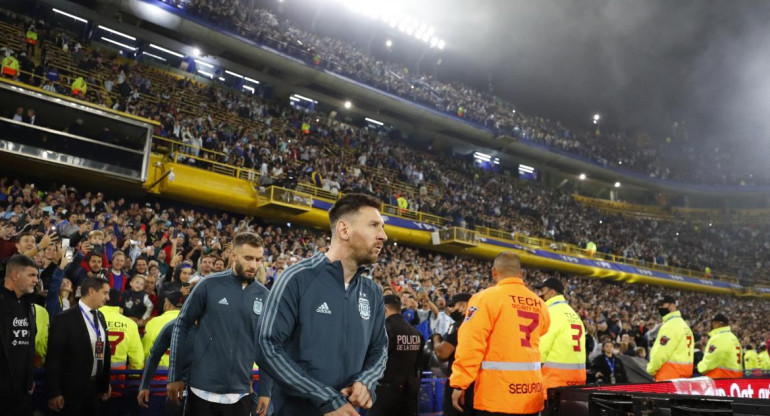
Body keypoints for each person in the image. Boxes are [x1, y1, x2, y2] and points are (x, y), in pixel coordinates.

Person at [258, 193, 389, 416]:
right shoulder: (297, 278)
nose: (383, 236)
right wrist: (325, 398)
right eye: (374, 226)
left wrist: (366, 381)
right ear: (344, 230)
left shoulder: (373, 291)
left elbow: (380, 349)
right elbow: (266, 346)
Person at [167, 232, 272, 416]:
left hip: (240, 394)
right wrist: (175, 375)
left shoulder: (264, 296)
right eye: (248, 258)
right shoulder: (208, 284)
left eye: (258, 259)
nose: (254, 265)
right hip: (201, 390)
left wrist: (265, 389)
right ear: (233, 256)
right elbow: (181, 325)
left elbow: (266, 345)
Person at [449, 252, 551, 416]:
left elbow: (471, 343)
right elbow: (544, 330)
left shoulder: (485, 298)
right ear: (521, 274)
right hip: (531, 393)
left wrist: (460, 383)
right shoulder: (540, 303)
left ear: (494, 272)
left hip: (496, 396)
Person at [46, 277, 112, 416]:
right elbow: (53, 358)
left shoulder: (100, 316)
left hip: (94, 390)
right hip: (69, 392)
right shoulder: (63, 318)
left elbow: (102, 351)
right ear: (91, 291)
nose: (108, 297)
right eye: (105, 293)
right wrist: (54, 392)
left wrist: (104, 384)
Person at [368, 294, 425, 416]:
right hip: (409, 392)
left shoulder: (385, 330)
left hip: (385, 392)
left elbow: (373, 360)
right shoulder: (416, 333)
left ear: (384, 309)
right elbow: (420, 363)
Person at [137, 291, 190, 415]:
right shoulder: (198, 324)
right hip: (187, 386)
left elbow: (148, 353)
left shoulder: (155, 322)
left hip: (157, 382)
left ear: (167, 305)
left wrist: (144, 384)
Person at [0, 255, 39, 416]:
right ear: (15, 275)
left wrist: (29, 377)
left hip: (22, 391)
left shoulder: (28, 305)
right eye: (31, 275)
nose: (36, 280)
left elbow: (28, 346)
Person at [535, 277, 586, 396]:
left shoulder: (550, 313)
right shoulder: (574, 315)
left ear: (552, 292)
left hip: (554, 381)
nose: (540, 295)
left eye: (543, 291)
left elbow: (542, 349)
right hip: (577, 380)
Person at [434, 293, 474, 416]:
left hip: (459, 383)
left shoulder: (458, 325)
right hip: (478, 384)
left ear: (463, 306)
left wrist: (436, 338)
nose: (449, 309)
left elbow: (442, 353)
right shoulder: (481, 324)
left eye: (452, 306)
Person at [646, 296, 694, 381]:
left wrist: (651, 369)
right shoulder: (684, 325)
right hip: (684, 374)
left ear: (672, 305)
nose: (659, 308)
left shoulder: (670, 326)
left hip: (669, 375)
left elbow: (661, 353)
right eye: (658, 306)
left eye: (662, 305)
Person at [696, 313, 742, 379]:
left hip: (721, 378)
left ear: (719, 324)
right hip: (735, 377)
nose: (712, 325)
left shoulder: (718, 338)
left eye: (714, 323)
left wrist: (699, 367)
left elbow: (712, 360)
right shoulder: (733, 337)